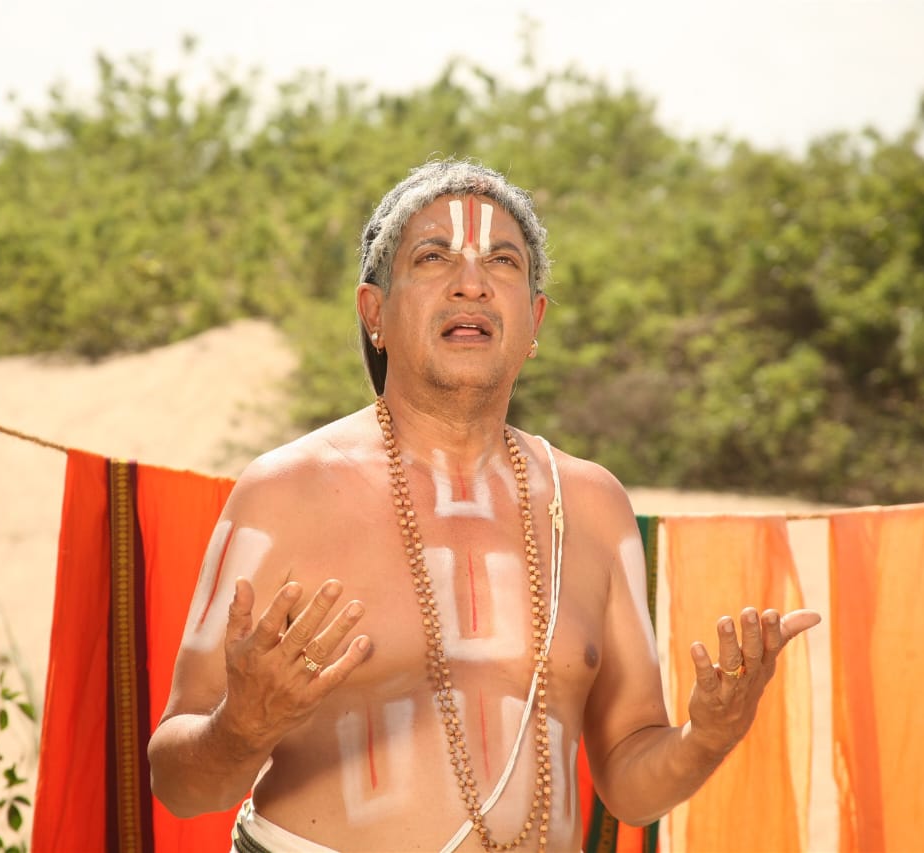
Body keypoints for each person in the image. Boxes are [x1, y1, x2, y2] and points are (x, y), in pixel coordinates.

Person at [147, 159, 820, 853]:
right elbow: (177, 783)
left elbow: (630, 783)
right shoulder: (285, 491)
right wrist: (240, 728)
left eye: (502, 261)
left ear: (533, 322)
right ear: (375, 313)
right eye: (433, 257)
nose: (471, 283)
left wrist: (706, 736)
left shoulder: (591, 506)